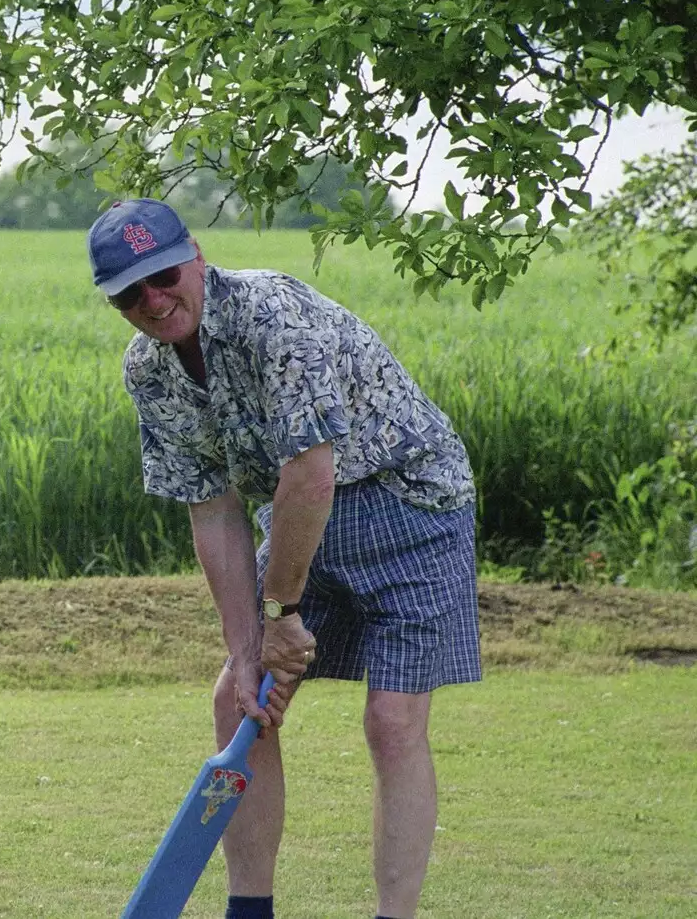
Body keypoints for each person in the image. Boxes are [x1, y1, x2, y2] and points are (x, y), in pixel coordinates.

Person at [87, 198, 480, 919]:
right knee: (240, 699)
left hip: (412, 503)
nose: (153, 298)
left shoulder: (271, 317)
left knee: (392, 721)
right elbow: (213, 508)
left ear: (195, 255)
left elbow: (311, 470)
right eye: (128, 292)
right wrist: (247, 647)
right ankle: (250, 910)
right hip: (304, 524)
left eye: (163, 274)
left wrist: (281, 613)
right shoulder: (148, 371)